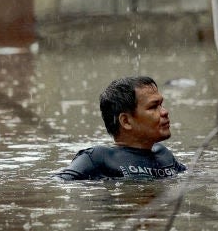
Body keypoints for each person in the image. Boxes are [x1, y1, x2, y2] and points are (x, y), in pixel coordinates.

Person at [56, 76, 186, 180]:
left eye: (161, 105)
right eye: (153, 107)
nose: (164, 112)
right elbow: (57, 184)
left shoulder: (164, 155)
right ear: (126, 121)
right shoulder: (98, 158)